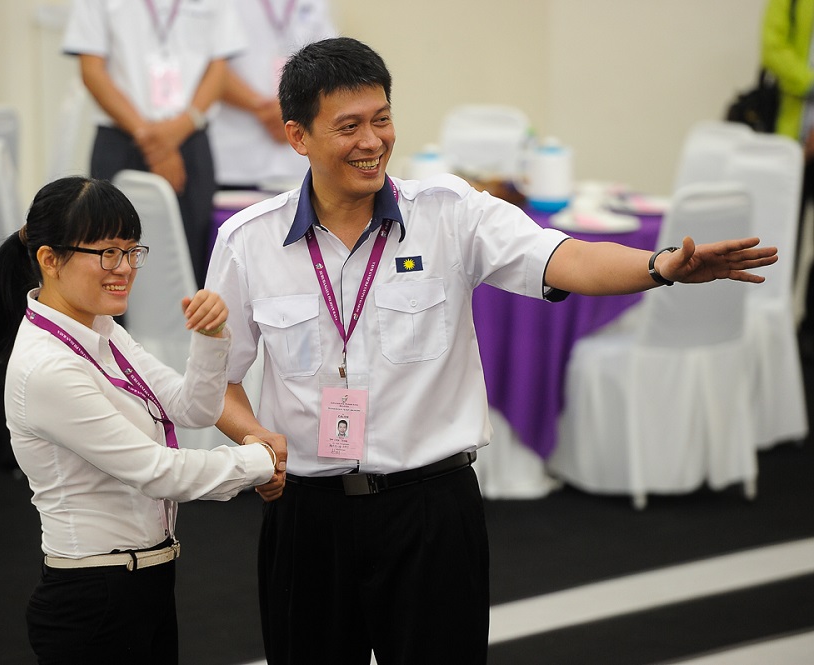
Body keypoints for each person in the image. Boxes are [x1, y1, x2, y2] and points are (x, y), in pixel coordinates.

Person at [205, 37, 779, 664]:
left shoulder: (450, 213)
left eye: (381, 119)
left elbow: (566, 257)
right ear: (297, 136)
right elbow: (218, 383)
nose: (372, 141)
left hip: (429, 510)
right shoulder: (247, 242)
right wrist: (257, 440)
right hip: (306, 516)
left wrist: (659, 266)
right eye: (348, 127)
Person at [0, 176, 287, 664]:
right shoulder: (49, 366)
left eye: (130, 251)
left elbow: (189, 408)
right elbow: (159, 471)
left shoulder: (101, 330)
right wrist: (262, 459)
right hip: (94, 597)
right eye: (106, 253)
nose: (123, 269)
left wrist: (210, 339)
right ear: (49, 260)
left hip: (145, 581)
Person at [62, 0, 245, 288]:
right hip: (121, 140)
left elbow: (218, 68)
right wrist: (150, 137)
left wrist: (177, 130)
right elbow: (92, 71)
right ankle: (112, 333)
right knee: (109, 255)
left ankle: (187, 333)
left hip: (190, 140)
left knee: (189, 259)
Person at [210, 0, 336, 190]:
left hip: (300, 163)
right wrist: (263, 107)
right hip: (235, 157)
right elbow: (206, 62)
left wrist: (292, 108)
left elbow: (329, 61)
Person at [762, 0, 814, 347]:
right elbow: (773, 49)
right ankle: (774, 335)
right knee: (781, 242)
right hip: (792, 141)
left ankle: (809, 337)